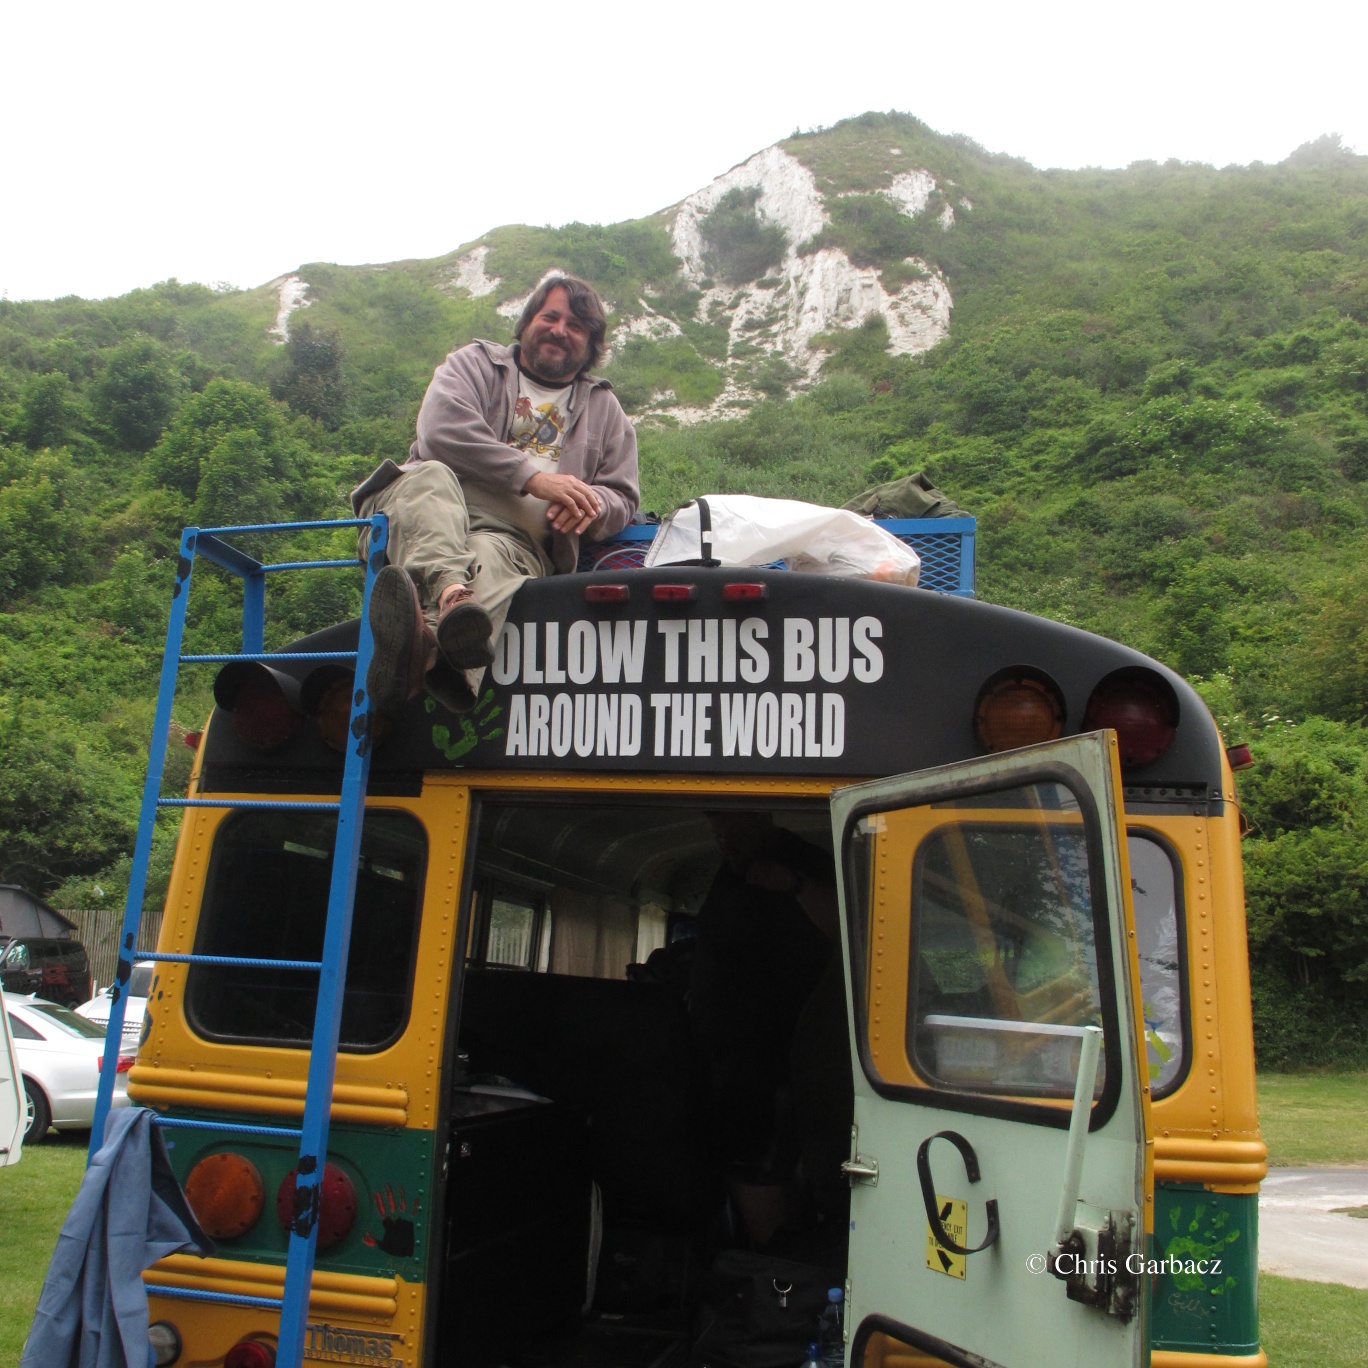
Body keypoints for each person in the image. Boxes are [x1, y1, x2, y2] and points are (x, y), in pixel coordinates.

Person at [350, 274, 640, 714]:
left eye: (576, 326)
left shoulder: (606, 409)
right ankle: (451, 597)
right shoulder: (474, 364)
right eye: (550, 317)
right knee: (433, 476)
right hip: (422, 511)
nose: (560, 330)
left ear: (591, 344)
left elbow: (623, 495)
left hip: (512, 541)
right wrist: (534, 479)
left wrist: (593, 505)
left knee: (492, 555)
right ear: (527, 322)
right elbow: (441, 430)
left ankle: (424, 650)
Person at [688, 811, 840, 1247]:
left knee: (759, 1168)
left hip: (779, 1062)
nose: (724, 841)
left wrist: (794, 884)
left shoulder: (805, 863)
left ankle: (777, 1264)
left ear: (760, 815)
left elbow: (854, 928)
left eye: (731, 830)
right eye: (717, 833)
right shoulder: (731, 871)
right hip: (729, 1062)